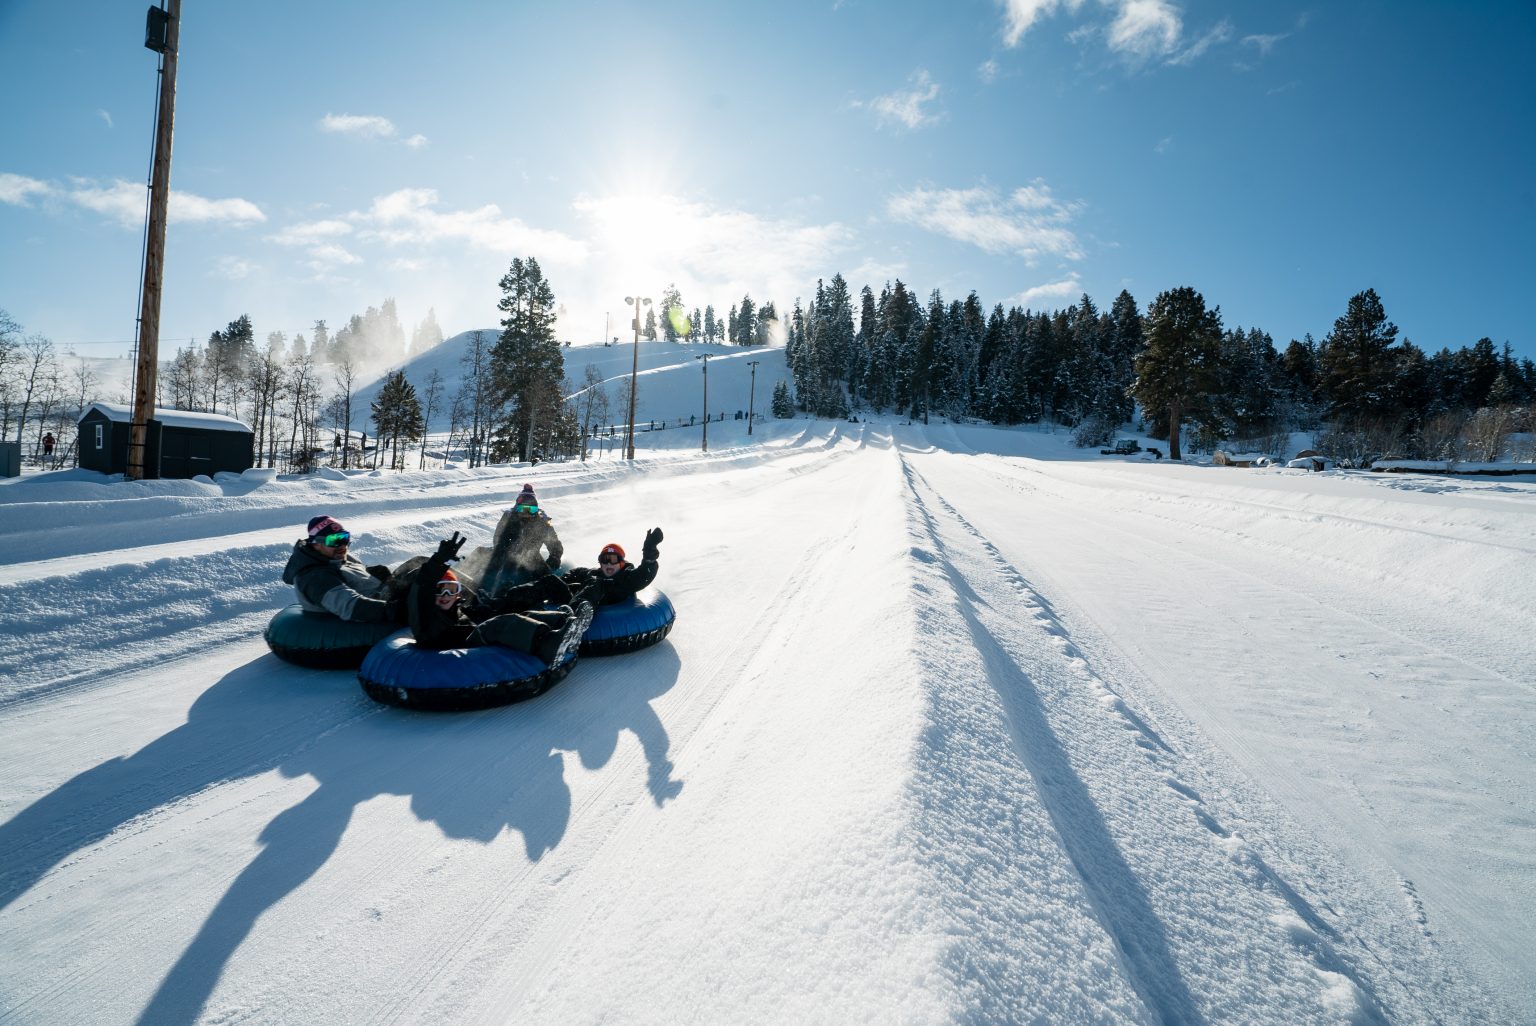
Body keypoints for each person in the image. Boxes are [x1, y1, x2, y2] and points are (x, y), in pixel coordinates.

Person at [411, 532, 592, 664]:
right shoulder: (426, 617)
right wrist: (437, 562)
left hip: (472, 629)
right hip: (458, 643)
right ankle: (546, 643)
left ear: (458, 592)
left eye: (451, 590)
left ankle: (564, 622)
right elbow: (421, 587)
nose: (445, 596)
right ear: (430, 594)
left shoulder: (457, 608)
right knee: (500, 624)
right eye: (440, 591)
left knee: (518, 611)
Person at [281, 515, 409, 624]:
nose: (342, 545)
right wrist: (402, 609)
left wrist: (372, 573)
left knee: (418, 566)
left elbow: (351, 577)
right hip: (369, 613)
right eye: (334, 540)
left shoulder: (336, 556)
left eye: (344, 538)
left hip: (383, 596)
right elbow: (350, 606)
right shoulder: (314, 577)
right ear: (316, 544)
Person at [481, 483, 564, 594]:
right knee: (483, 554)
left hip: (532, 556)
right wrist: (507, 551)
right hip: (507, 552)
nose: (527, 513)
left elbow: (554, 544)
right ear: (516, 508)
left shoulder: (542, 521)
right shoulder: (509, 518)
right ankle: (484, 587)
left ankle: (544, 595)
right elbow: (498, 538)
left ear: (537, 509)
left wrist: (554, 558)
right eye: (522, 509)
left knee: (547, 578)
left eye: (532, 509)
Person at [562, 528, 663, 607]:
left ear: (621, 563)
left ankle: (574, 620)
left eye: (613, 559)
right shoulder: (594, 573)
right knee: (551, 580)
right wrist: (564, 580)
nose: (609, 563)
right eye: (605, 559)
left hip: (607, 605)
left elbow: (644, 574)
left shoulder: (626, 578)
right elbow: (575, 572)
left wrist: (649, 554)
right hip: (574, 599)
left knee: (596, 583)